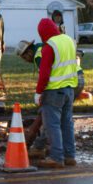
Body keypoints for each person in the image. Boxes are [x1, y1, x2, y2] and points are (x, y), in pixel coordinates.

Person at [33, 17, 78, 168]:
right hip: (69, 90)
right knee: (67, 124)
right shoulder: (69, 40)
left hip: (54, 91)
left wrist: (39, 92)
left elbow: (44, 74)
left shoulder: (49, 47)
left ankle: (56, 158)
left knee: (53, 125)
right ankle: (69, 156)